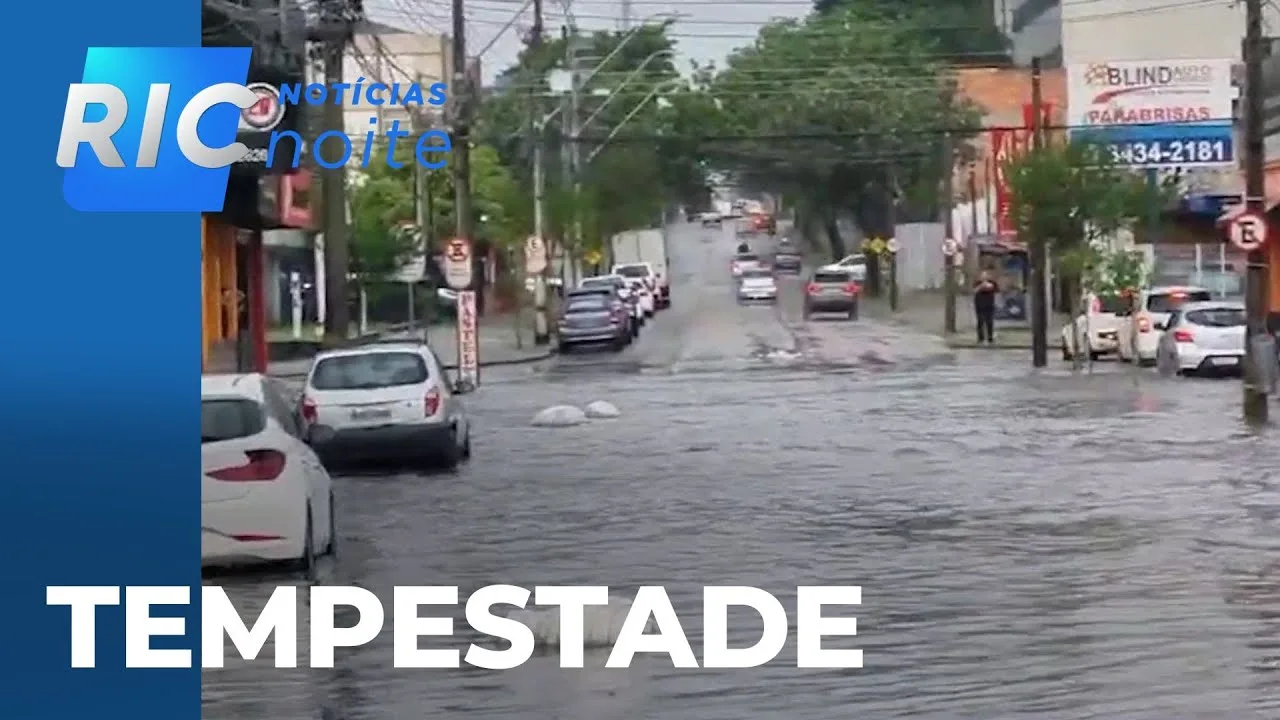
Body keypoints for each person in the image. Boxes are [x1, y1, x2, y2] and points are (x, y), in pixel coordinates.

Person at [973, 270, 999, 344]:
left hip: (989, 305)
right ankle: (980, 338)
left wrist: (990, 286)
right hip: (979, 305)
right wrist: (981, 286)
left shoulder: (992, 283)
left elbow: (996, 290)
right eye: (983, 275)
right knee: (980, 322)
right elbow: (974, 290)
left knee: (989, 322)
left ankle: (990, 338)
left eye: (986, 275)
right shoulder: (977, 283)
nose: (984, 277)